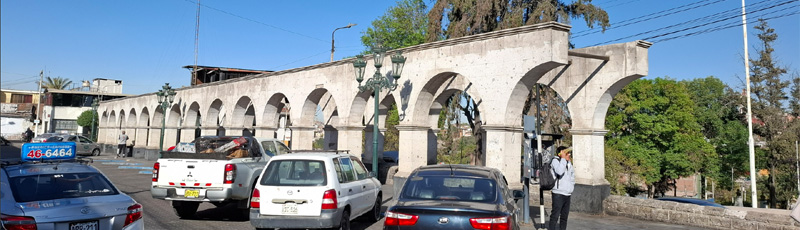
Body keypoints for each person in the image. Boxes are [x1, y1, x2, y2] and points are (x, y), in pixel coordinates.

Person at [550, 146, 574, 230]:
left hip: (567, 193)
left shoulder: (569, 163)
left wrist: (571, 187)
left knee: (564, 216)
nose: (569, 154)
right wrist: (563, 159)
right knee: (555, 215)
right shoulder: (555, 161)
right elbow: (559, 171)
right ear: (561, 154)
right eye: (567, 153)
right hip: (558, 193)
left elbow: (572, 177)